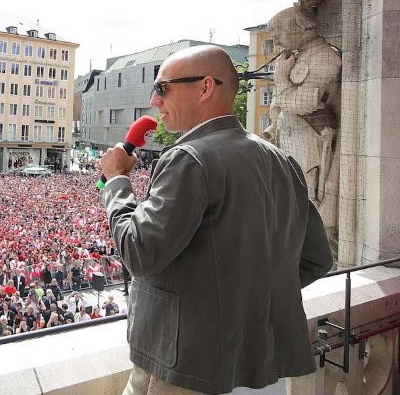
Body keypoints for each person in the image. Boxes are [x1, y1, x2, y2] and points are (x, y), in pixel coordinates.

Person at [99, 45, 333, 394]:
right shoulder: (282, 161)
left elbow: (139, 252)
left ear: (206, 87)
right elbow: (317, 259)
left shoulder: (189, 157)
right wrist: (243, 302)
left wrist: (117, 181)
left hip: (187, 364)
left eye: (163, 88)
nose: (155, 101)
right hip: (263, 361)